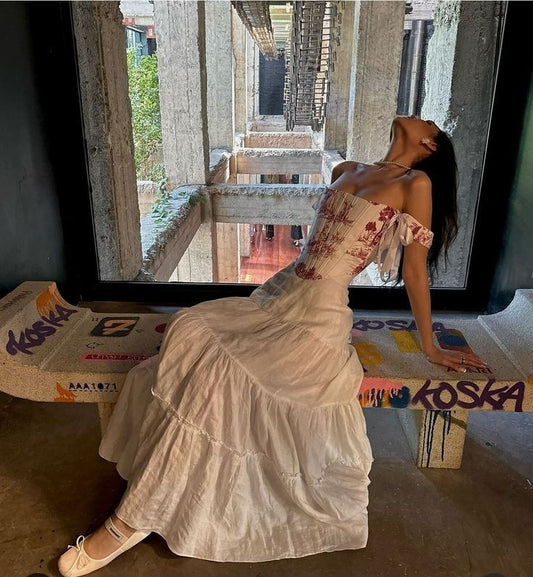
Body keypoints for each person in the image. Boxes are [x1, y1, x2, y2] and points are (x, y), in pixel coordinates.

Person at [58, 116, 486, 576]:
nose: (418, 115)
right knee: (190, 330)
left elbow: (415, 272)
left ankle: (128, 522)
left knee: (218, 374)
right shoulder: (346, 169)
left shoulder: (415, 183)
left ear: (428, 143)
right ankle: (159, 492)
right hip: (280, 291)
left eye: (428, 122)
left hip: (318, 313)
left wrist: (431, 346)